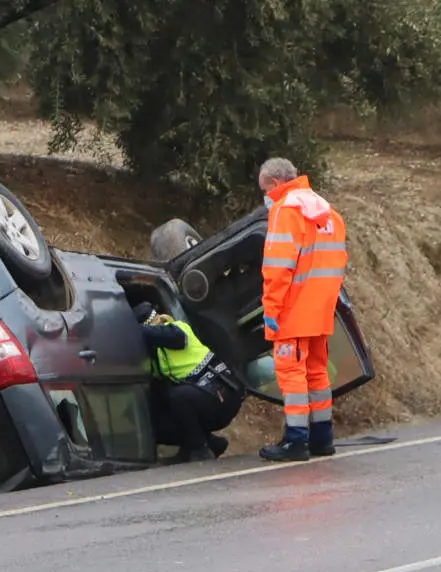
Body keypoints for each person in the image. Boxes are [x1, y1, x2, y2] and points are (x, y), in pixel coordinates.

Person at [257, 157, 349, 462]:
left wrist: (271, 307)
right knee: (317, 372)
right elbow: (336, 264)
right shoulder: (327, 211)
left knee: (292, 375)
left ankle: (296, 440)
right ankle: (322, 437)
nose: (267, 198)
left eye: (266, 191)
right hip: (321, 310)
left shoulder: (286, 210)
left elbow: (277, 267)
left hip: (293, 312)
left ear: (274, 183)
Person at [134, 302, 245, 464]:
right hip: (207, 398)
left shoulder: (177, 328)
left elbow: (171, 337)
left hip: (223, 396)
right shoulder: (159, 353)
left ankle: (200, 449)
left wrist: (131, 330)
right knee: (159, 416)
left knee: (179, 397)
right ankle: (211, 444)